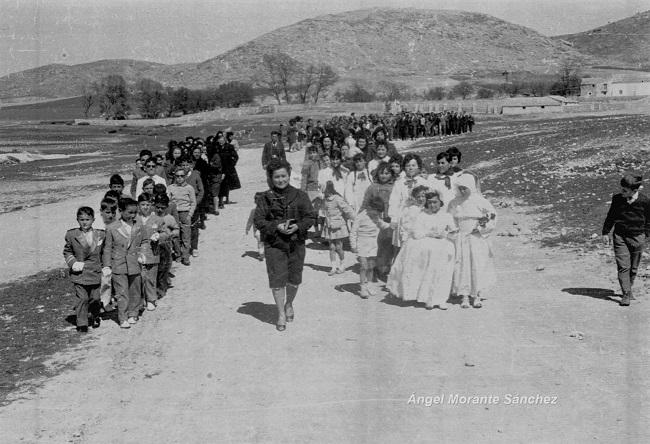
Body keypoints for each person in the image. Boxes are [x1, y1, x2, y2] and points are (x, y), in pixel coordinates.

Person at [254, 159, 316, 331]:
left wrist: (298, 226)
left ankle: (289, 303)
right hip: (275, 244)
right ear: (271, 178)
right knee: (277, 279)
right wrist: (276, 226)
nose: (281, 180)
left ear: (289, 176)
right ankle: (281, 313)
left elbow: (310, 217)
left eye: (283, 176)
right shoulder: (265, 197)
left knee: (294, 279)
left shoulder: (300, 195)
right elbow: (258, 220)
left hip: (296, 243)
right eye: (277, 177)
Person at [387, 191, 457, 309]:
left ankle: (440, 298)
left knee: (441, 264)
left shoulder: (447, 216)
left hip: (442, 243)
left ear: (440, 202)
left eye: (435, 202)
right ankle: (426, 297)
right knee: (424, 256)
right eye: (429, 203)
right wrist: (430, 233)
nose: (432, 205)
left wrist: (446, 234)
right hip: (425, 241)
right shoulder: (422, 215)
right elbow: (416, 232)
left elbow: (453, 232)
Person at [448, 173, 497, 309]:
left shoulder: (480, 200)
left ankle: (476, 295)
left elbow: (492, 215)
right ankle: (464, 295)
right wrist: (453, 229)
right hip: (461, 236)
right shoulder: (455, 202)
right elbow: (449, 218)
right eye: (461, 188)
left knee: (477, 264)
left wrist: (481, 227)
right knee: (462, 265)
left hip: (476, 237)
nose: (463, 191)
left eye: (465, 188)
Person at [602, 173, 650, 306]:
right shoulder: (617, 199)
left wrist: (645, 234)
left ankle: (629, 288)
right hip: (620, 237)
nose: (621, 192)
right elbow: (611, 216)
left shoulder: (644, 201)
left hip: (637, 238)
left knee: (633, 268)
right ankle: (626, 294)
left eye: (624, 190)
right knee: (623, 266)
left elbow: (649, 220)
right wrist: (605, 233)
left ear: (634, 191)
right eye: (621, 189)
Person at [63, 207, 105, 332]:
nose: (84, 222)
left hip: (94, 272)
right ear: (77, 220)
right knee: (82, 298)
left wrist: (106, 266)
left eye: (87, 219)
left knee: (95, 298)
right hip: (79, 273)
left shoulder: (100, 234)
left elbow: (104, 252)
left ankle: (95, 314)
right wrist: (73, 263)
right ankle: (82, 323)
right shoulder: (72, 235)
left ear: (93, 220)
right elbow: (67, 251)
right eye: (81, 220)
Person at [102, 198, 143, 328]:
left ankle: (133, 313)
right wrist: (107, 265)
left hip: (134, 262)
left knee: (135, 289)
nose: (132, 215)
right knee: (122, 292)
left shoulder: (139, 225)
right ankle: (123, 317)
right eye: (129, 212)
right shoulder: (111, 228)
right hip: (118, 264)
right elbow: (107, 248)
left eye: (135, 212)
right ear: (120, 211)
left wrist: (143, 255)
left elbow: (144, 241)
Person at [350, 196, 390, 298]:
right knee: (364, 266)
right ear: (369, 207)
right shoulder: (360, 217)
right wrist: (353, 245)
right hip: (362, 245)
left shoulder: (376, 217)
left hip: (372, 245)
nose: (377, 215)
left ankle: (369, 284)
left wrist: (391, 226)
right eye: (376, 212)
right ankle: (362, 287)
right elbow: (353, 232)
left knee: (371, 267)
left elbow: (382, 224)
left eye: (379, 213)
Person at [388, 153, 429, 251]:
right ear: (404, 167)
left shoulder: (423, 182)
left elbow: (428, 198)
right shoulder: (399, 183)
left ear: (418, 167)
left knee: (420, 243)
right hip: (404, 215)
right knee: (405, 245)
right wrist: (394, 218)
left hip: (420, 215)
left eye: (413, 165)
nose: (410, 168)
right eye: (408, 165)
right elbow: (394, 201)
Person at [363, 162, 396, 280]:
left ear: (391, 174)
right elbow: (366, 202)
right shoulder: (373, 187)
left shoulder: (394, 187)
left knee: (387, 244)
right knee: (375, 244)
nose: (384, 176)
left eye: (387, 173)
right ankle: (374, 267)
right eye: (381, 173)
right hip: (374, 219)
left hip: (388, 219)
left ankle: (385, 267)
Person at [135, 193, 166, 313]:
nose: (145, 207)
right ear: (138, 205)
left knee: (151, 277)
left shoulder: (157, 220)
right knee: (139, 277)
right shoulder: (134, 219)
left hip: (152, 251)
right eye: (143, 204)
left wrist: (159, 236)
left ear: (152, 205)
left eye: (148, 204)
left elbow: (165, 233)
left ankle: (151, 299)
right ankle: (140, 299)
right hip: (138, 252)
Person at [322, 181, 356, 275]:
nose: (324, 193)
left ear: (329, 189)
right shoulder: (324, 199)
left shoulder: (337, 199)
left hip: (338, 226)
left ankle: (342, 265)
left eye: (324, 191)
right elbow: (323, 210)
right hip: (329, 226)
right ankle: (333, 267)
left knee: (338, 247)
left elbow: (347, 209)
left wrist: (355, 219)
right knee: (331, 247)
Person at [168, 167, 196, 266]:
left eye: (182, 176)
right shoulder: (171, 187)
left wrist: (190, 215)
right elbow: (168, 201)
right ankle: (178, 254)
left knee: (186, 236)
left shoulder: (189, 188)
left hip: (185, 212)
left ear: (185, 177)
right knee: (175, 235)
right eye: (177, 176)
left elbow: (193, 202)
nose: (179, 178)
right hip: (174, 213)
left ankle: (185, 256)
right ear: (175, 176)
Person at [153, 193, 178, 301]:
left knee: (164, 268)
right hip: (153, 246)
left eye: (162, 208)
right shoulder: (151, 217)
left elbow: (177, 230)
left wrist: (171, 234)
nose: (159, 210)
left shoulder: (169, 218)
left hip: (165, 246)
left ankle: (161, 289)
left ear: (166, 207)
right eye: (157, 207)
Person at [182, 156, 204, 257]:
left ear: (191, 166)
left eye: (187, 165)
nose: (185, 167)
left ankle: (194, 247)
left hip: (194, 204)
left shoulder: (195, 175)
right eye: (183, 165)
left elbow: (201, 190)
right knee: (184, 226)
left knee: (194, 226)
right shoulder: (178, 176)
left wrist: (197, 202)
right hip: (182, 205)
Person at [98, 198, 118, 311]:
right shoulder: (98, 225)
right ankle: (103, 302)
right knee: (104, 278)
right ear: (101, 211)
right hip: (99, 255)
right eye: (107, 212)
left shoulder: (116, 223)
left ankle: (112, 299)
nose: (110, 215)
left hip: (112, 254)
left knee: (113, 277)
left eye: (113, 213)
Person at [216, 134, 240, 207]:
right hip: (219, 168)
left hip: (228, 168)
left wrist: (232, 164)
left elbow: (235, 156)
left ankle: (227, 198)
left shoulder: (229, 146)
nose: (221, 141)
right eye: (219, 139)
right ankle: (221, 201)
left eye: (222, 139)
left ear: (225, 140)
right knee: (221, 184)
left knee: (228, 184)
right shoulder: (216, 147)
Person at [245, 192, 265, 261]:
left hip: (257, 231)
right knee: (264, 242)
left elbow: (250, 221)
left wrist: (247, 229)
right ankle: (263, 253)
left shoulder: (253, 211)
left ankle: (261, 254)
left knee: (260, 243)